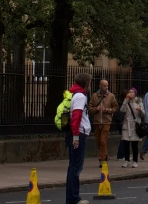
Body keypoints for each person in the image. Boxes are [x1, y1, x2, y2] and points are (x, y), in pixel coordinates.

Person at [66, 72, 92, 204]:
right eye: (89, 83)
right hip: (79, 134)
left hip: (76, 133)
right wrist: (76, 136)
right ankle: (74, 199)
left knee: (73, 167)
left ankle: (72, 198)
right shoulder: (81, 96)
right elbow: (76, 116)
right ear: (86, 83)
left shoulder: (74, 94)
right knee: (76, 168)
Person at [88, 79, 117, 166]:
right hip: (97, 121)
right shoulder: (94, 96)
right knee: (98, 141)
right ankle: (105, 155)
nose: (106, 87)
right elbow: (90, 107)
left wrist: (107, 110)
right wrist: (95, 109)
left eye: (107, 85)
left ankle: (102, 160)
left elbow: (115, 108)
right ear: (100, 86)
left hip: (106, 121)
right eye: (104, 86)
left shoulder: (111, 96)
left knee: (103, 141)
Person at [120, 88, 144, 168]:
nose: (130, 93)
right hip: (127, 126)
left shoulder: (138, 101)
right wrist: (126, 100)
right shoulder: (126, 101)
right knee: (126, 144)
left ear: (135, 93)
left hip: (135, 125)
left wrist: (140, 110)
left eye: (132, 92)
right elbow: (122, 110)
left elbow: (143, 114)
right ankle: (127, 160)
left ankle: (135, 161)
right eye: (129, 92)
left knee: (134, 145)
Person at [113, 88, 129, 162]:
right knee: (124, 139)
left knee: (124, 139)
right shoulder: (124, 104)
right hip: (122, 123)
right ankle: (120, 155)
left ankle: (123, 155)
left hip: (119, 122)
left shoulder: (118, 103)